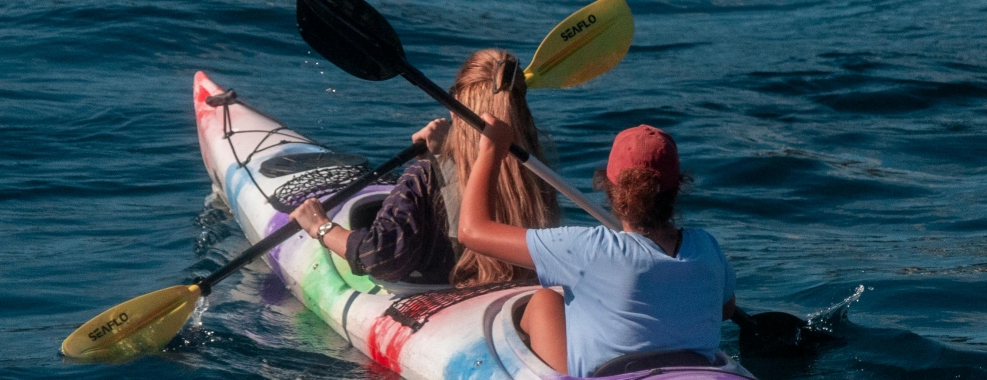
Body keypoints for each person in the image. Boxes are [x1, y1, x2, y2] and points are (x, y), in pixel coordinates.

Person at [457, 119, 738, 377]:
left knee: (545, 300)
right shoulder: (706, 246)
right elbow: (725, 310)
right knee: (550, 300)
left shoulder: (587, 249)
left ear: (609, 187)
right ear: (677, 188)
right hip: (707, 373)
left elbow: (472, 231)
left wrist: (492, 150)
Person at [289, 49, 559, 289]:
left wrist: (321, 227)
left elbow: (381, 258)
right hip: (518, 290)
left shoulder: (423, 178)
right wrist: (443, 156)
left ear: (456, 109)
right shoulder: (539, 173)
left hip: (447, 298)